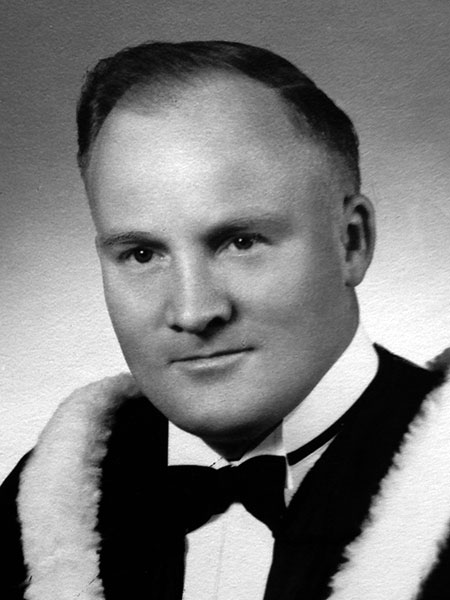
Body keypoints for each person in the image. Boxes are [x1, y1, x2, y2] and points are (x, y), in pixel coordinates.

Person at [0, 40, 449, 600]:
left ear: (351, 242)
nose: (194, 312)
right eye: (141, 254)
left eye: (241, 242)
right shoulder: (45, 503)